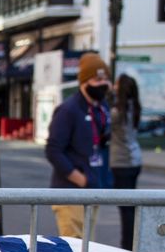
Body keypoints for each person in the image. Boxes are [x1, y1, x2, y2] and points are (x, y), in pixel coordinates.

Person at [45, 52, 114, 238]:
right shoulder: (68, 110)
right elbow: (53, 150)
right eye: (97, 80)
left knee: (88, 250)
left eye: (105, 79)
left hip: (92, 189)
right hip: (70, 193)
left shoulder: (102, 107)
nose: (102, 85)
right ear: (84, 81)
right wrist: (79, 179)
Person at [110, 73, 143, 251]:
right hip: (135, 160)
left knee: (125, 208)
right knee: (130, 206)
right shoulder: (135, 108)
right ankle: (131, 244)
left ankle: (127, 246)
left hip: (120, 161)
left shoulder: (116, 113)